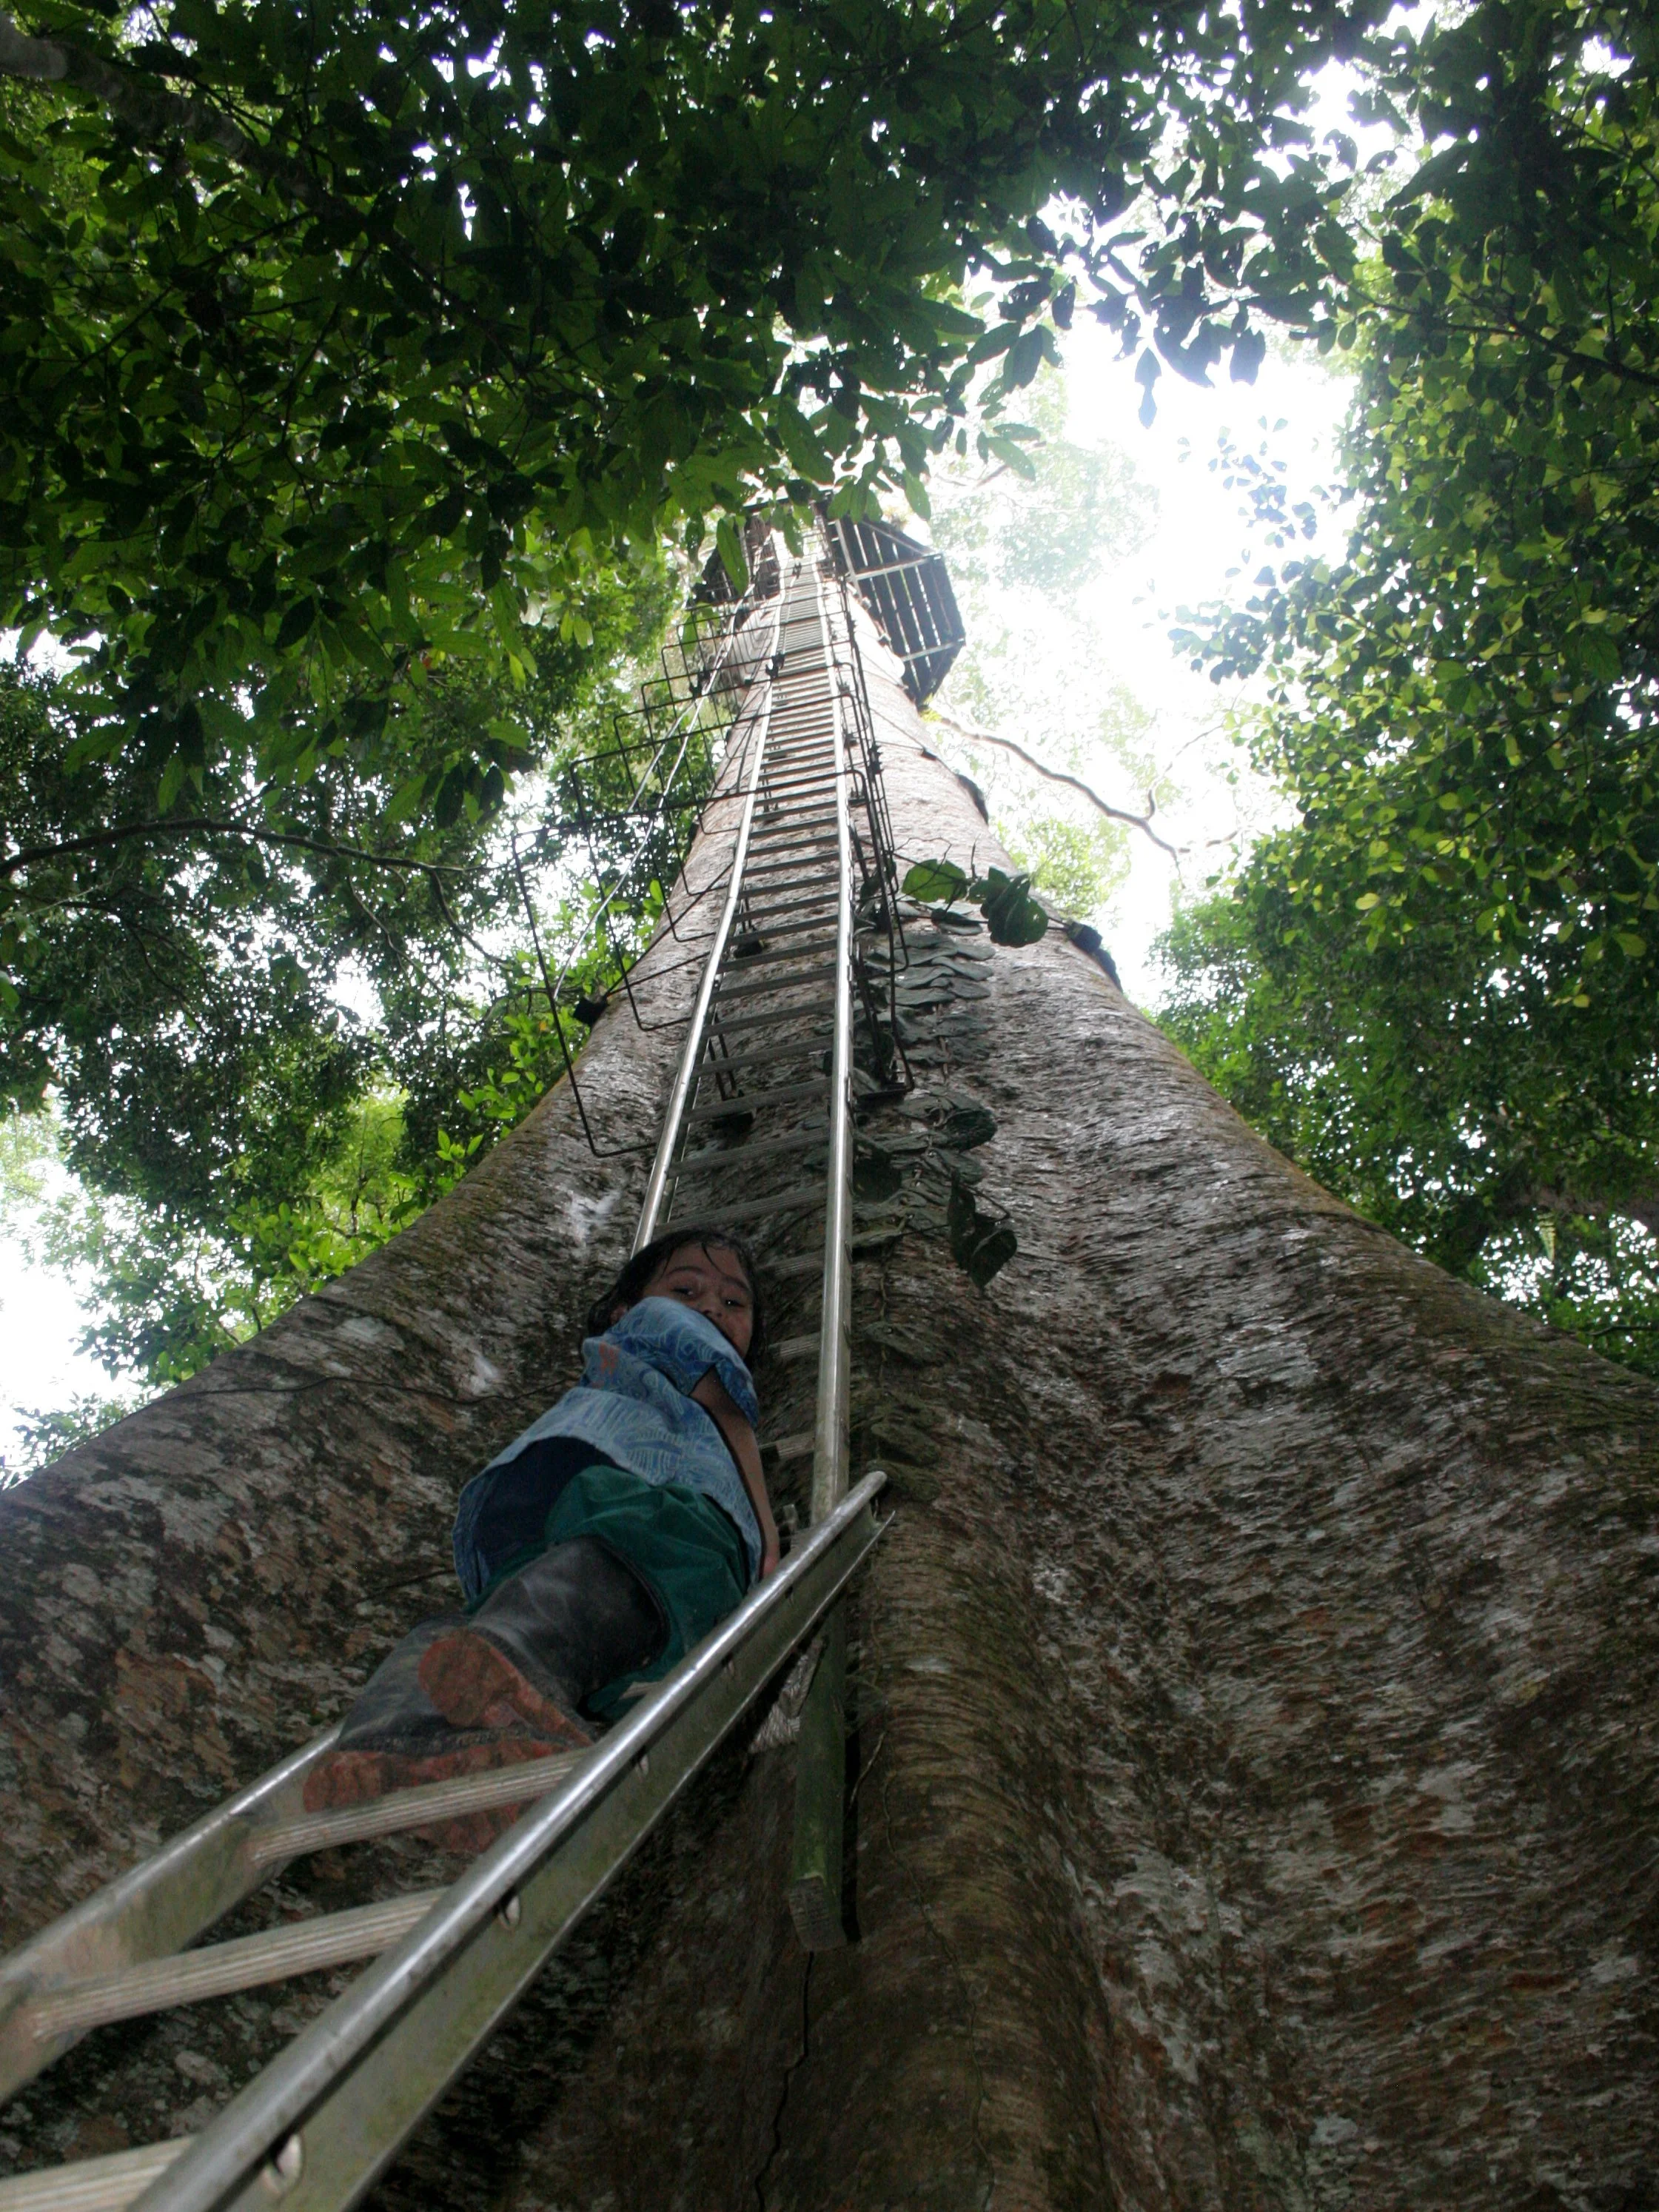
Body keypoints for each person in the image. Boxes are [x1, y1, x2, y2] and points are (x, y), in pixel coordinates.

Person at [304, 1225, 780, 1846]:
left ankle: (397, 1735)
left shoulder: (633, 1339)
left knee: (486, 1617)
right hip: (641, 1474)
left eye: (734, 1302)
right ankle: (514, 1659)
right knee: (673, 1547)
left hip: (547, 1496)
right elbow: (722, 1402)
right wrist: (766, 1537)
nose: (711, 1306)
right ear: (623, 1308)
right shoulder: (666, 1324)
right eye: (686, 1286)